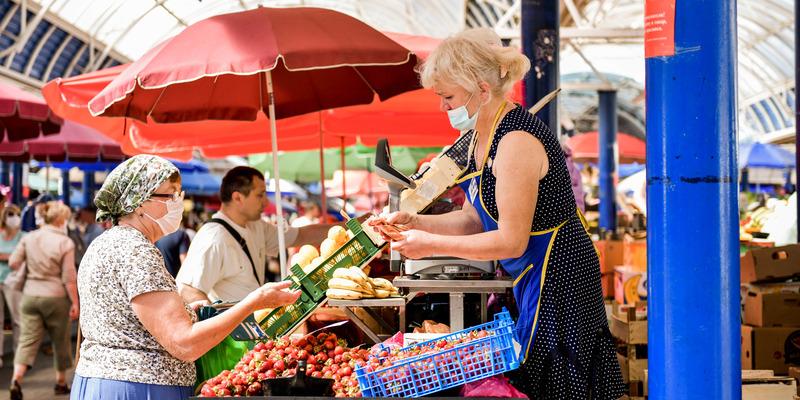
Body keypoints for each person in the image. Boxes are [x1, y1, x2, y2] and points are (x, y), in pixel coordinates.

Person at [382, 28, 624, 399]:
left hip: (558, 278)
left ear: (481, 88)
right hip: (529, 277)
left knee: (561, 382)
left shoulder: (515, 141)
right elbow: (473, 218)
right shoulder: (481, 136)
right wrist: (416, 222)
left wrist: (428, 245)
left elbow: (511, 240)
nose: (443, 107)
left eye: (448, 96)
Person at [71, 155, 300, 399]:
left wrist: (186, 309)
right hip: (139, 387)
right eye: (169, 195)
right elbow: (184, 344)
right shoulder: (137, 251)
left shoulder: (105, 243)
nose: (178, 202)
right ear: (138, 202)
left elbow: (131, 318)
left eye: (179, 194)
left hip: (102, 382)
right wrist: (254, 302)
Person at [177, 167, 349, 303]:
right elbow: (188, 290)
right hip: (235, 340)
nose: (266, 202)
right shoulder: (213, 238)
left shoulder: (256, 226)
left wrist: (350, 226)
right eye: (260, 195)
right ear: (237, 198)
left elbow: (300, 236)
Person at [8, 202, 78, 399]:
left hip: (30, 295)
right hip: (55, 297)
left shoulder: (29, 238)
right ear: (60, 219)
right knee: (60, 340)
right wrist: (75, 302)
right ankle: (61, 382)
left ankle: (16, 379)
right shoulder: (65, 242)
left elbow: (14, 262)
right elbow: (68, 277)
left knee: (27, 341)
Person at [0, 205, 23, 367]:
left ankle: (20, 356)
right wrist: (11, 257)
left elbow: (23, 258)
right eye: (10, 214)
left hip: (14, 282)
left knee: (18, 320)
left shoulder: (25, 237)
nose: (14, 217)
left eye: (16, 214)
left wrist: (5, 256)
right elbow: (16, 258)